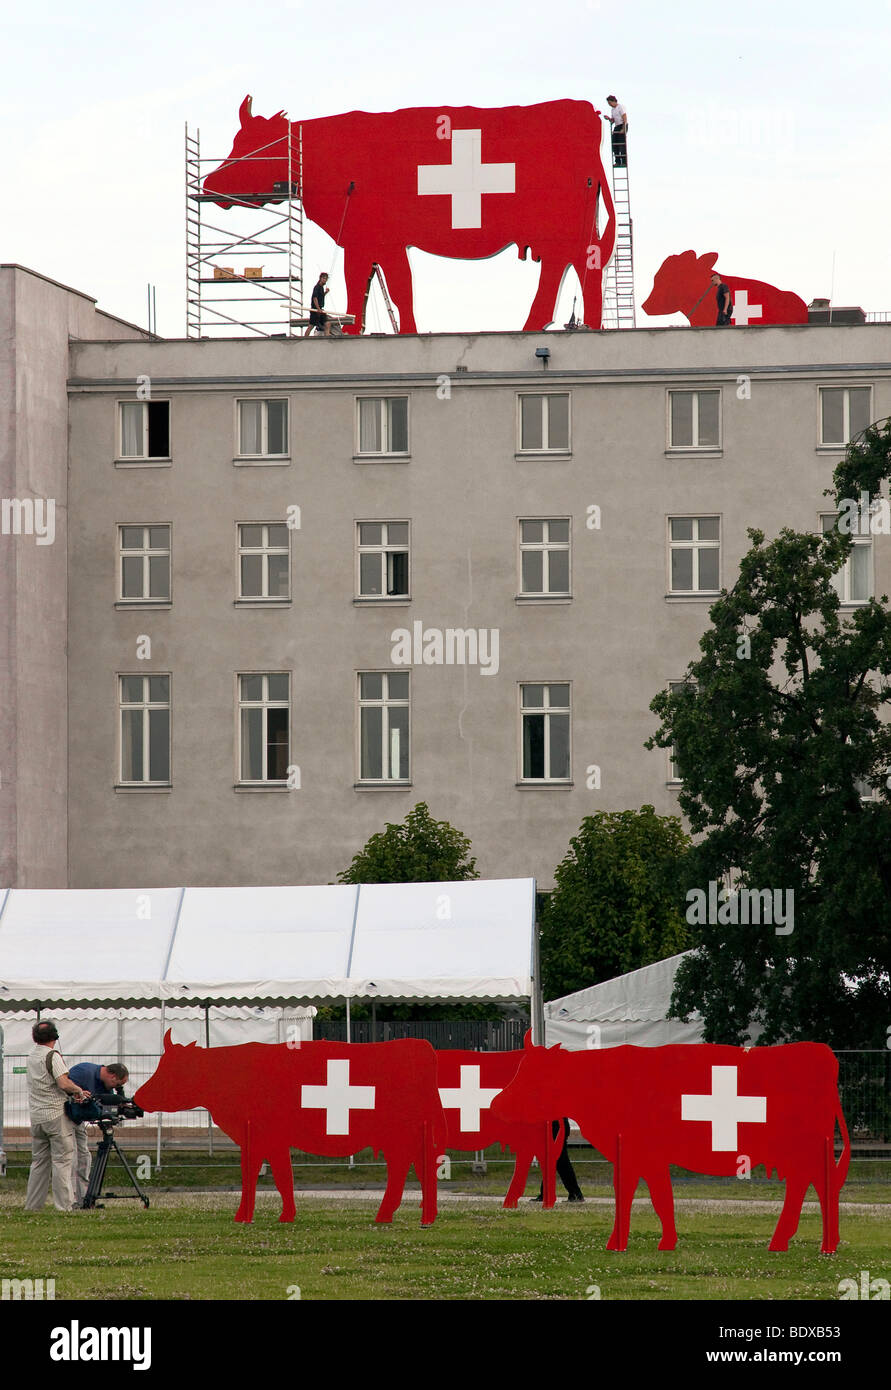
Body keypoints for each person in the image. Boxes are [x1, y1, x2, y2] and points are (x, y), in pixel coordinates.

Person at [24, 1020, 90, 1212]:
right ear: (55, 1037)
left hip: (37, 1117)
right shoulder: (52, 1056)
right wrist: (78, 1090)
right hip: (55, 1115)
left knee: (39, 1163)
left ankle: (33, 1206)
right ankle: (64, 1206)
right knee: (62, 1161)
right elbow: (63, 1083)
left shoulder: (31, 1056)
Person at [66, 1060, 130, 1207]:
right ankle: (70, 1200)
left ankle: (84, 1200)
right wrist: (78, 1094)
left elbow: (104, 1104)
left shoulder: (106, 1085)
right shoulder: (83, 1071)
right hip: (66, 1119)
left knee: (84, 1157)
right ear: (112, 1076)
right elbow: (62, 1087)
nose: (117, 1088)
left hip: (79, 1121)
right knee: (71, 1158)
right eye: (118, 1084)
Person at [531, 1118, 585, 1202]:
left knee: (562, 1164)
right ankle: (547, 1194)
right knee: (554, 1163)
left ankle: (575, 1194)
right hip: (556, 1126)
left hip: (557, 1127)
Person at [605, 95, 628, 167]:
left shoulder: (620, 107)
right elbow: (613, 120)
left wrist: (623, 128)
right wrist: (609, 119)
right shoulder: (612, 110)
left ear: (614, 101)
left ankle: (624, 162)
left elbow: (624, 117)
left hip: (622, 125)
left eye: (610, 103)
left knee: (621, 144)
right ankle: (617, 161)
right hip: (617, 126)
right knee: (614, 144)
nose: (610, 105)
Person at [306, 272, 331, 336]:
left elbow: (321, 297)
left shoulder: (321, 288)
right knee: (311, 326)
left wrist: (325, 292)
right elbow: (315, 298)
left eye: (326, 279)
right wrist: (318, 309)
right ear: (320, 278)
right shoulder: (317, 287)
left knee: (327, 324)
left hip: (320, 309)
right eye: (324, 278)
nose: (325, 280)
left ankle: (327, 339)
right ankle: (305, 339)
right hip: (315, 310)